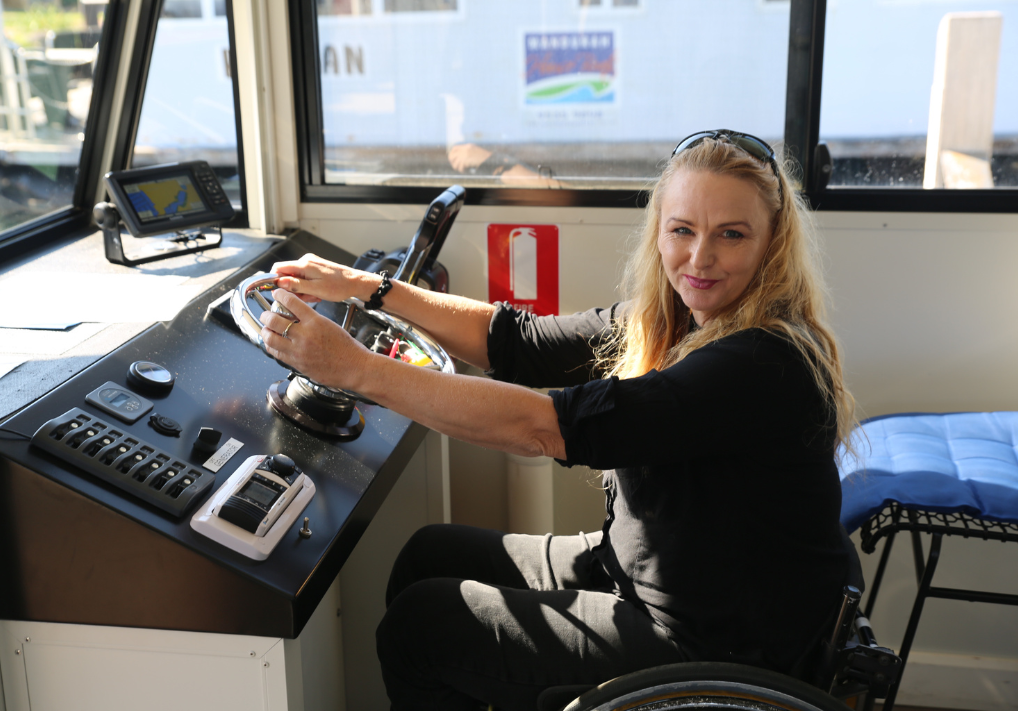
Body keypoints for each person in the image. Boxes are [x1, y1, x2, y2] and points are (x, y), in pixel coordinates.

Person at [260, 129, 856, 711]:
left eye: (731, 234)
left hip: (710, 638)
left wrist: (359, 370)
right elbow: (517, 342)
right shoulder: (679, 320)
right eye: (682, 230)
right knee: (428, 555)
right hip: (642, 570)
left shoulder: (760, 361)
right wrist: (367, 288)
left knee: (420, 629)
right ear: (660, 232)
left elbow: (544, 426)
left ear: (772, 243)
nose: (700, 258)